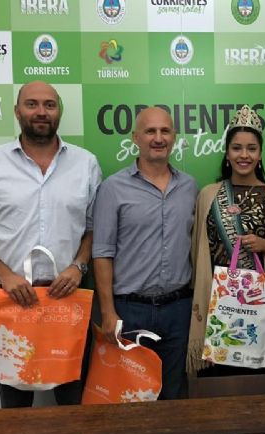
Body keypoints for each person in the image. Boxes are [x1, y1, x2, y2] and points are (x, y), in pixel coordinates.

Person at [0, 81, 102, 408]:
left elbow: (94, 229)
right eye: (32, 104)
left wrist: (79, 266)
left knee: (72, 400)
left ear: (59, 112)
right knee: (15, 405)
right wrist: (6, 275)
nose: (41, 112)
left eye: (49, 105)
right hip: (10, 299)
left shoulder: (86, 164)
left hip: (67, 298)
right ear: (17, 111)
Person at [92, 107, 198, 400]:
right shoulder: (113, 188)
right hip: (130, 311)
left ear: (174, 137)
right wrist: (108, 312)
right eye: (150, 131)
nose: (158, 138)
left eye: (165, 131)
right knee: (130, 398)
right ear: (135, 137)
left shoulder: (189, 187)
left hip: (179, 309)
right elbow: (102, 252)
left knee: (174, 394)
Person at [187, 105, 265, 377]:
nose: (244, 155)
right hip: (217, 306)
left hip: (258, 309)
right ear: (227, 152)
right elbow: (196, 251)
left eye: (251, 148)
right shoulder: (208, 195)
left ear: (260, 154)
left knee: (257, 387)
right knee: (217, 386)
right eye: (237, 148)